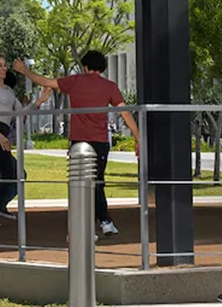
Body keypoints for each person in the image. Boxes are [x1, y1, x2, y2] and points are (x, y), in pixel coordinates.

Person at [13, 51, 140, 237]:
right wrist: (138, 138)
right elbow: (126, 112)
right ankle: (104, 221)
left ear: (86, 66)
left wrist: (24, 70)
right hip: (100, 142)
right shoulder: (110, 87)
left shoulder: (75, 81)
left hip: (78, 140)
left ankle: (92, 224)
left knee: (80, 184)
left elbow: (45, 82)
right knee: (97, 182)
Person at [0, 55, 51, 240]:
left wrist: (39, 101)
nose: (3, 69)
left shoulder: (8, 90)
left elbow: (20, 113)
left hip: (1, 133)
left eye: (5, 65)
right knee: (15, 173)